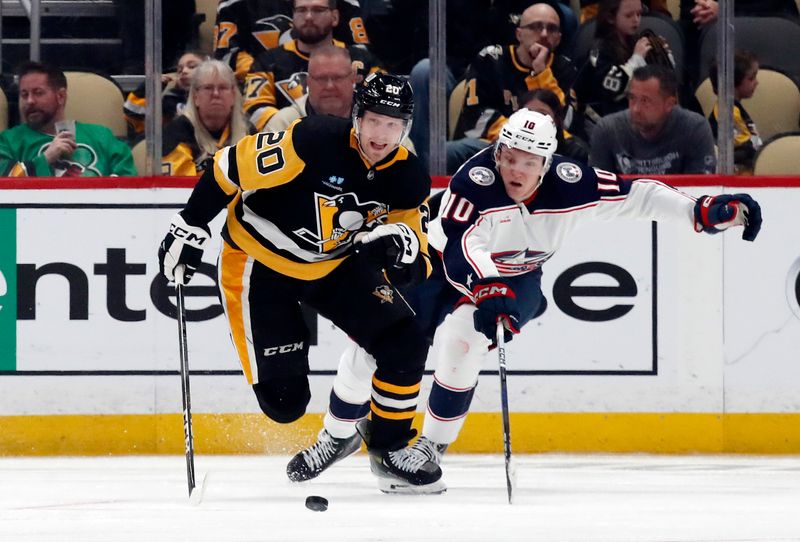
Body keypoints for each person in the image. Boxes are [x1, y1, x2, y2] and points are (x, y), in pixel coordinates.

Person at [287, 107, 762, 490]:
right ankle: (337, 434)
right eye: (508, 155)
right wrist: (487, 283)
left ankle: (429, 448)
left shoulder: (575, 182)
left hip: (516, 278)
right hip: (439, 267)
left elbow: (638, 196)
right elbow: (460, 244)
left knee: (465, 342)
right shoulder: (475, 182)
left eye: (527, 161)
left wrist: (698, 211)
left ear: (547, 162)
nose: (514, 168)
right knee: (374, 344)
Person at [157, 73, 444, 493]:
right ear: (357, 117)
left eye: (393, 124)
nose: (382, 134)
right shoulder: (313, 140)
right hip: (259, 265)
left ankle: (389, 447)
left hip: (334, 266)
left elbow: (415, 254)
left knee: (405, 338)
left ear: (405, 128)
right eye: (374, 120)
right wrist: (191, 223)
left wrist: (401, 252)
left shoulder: (408, 178)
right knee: (285, 404)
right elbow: (227, 167)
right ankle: (338, 433)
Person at [444, 1, 577, 174]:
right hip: (493, 144)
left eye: (551, 29)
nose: (544, 34)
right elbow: (475, 114)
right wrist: (518, 138)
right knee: (446, 153)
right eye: (536, 27)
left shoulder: (564, 68)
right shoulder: (492, 59)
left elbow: (566, 122)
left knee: (580, 154)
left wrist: (542, 73)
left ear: (558, 39)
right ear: (519, 34)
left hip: (546, 150)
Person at [243, 0, 382, 131]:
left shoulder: (363, 61)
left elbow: (383, 105)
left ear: (334, 17)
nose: (308, 17)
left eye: (318, 10)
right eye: (301, 10)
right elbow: (255, 106)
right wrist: (295, 130)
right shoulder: (266, 62)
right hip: (290, 141)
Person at [0, 61, 136, 177]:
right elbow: (4, 184)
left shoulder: (102, 137)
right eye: (24, 95)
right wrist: (45, 159)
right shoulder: (8, 142)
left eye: (38, 93)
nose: (29, 101)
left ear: (61, 96)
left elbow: (129, 183)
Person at [588, 64, 716, 175]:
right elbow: (598, 192)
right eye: (632, 98)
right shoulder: (607, 131)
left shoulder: (695, 129)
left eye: (645, 101)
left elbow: (699, 191)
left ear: (669, 104)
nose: (636, 109)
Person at [573, 0, 675, 134]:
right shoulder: (599, 50)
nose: (636, 20)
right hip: (604, 122)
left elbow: (659, 83)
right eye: (629, 15)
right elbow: (613, 89)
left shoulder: (636, 42)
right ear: (610, 17)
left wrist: (664, 60)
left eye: (639, 14)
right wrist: (637, 59)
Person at [214, 0, 371, 83]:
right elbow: (226, 56)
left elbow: (359, 53)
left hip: (332, 87)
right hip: (263, 88)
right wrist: (271, 75)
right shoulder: (234, 2)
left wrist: (325, 76)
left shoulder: (343, 3)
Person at [161, 60, 253, 176]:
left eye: (223, 88)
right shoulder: (177, 132)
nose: (215, 93)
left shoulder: (249, 133)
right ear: (195, 96)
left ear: (233, 95)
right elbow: (180, 188)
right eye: (208, 88)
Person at [264, 45, 356, 131]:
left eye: (338, 78)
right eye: (321, 78)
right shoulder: (283, 124)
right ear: (308, 82)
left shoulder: (369, 115)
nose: (330, 86)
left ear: (353, 79)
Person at [123, 51, 207, 143]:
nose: (184, 71)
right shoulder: (168, 102)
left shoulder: (215, 98)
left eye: (192, 66)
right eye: (179, 70)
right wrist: (147, 90)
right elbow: (134, 120)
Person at [707, 50, 762, 175]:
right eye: (751, 78)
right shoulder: (727, 113)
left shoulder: (733, 108)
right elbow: (746, 148)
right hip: (737, 175)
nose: (757, 82)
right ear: (732, 82)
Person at [520, 87, 589, 162]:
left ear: (556, 120)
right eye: (528, 113)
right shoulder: (508, 144)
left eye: (542, 114)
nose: (534, 120)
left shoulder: (575, 152)